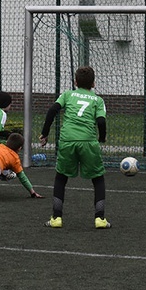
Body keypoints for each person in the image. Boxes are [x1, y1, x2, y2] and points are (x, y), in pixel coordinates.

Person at [39, 66, 110, 229]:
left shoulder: (67, 95)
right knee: (98, 178)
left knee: (61, 177)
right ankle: (100, 219)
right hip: (87, 141)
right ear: (93, 83)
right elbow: (101, 121)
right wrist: (101, 138)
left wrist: (44, 134)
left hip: (67, 140)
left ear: (75, 82)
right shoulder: (98, 100)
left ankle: (56, 218)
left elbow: (52, 111)